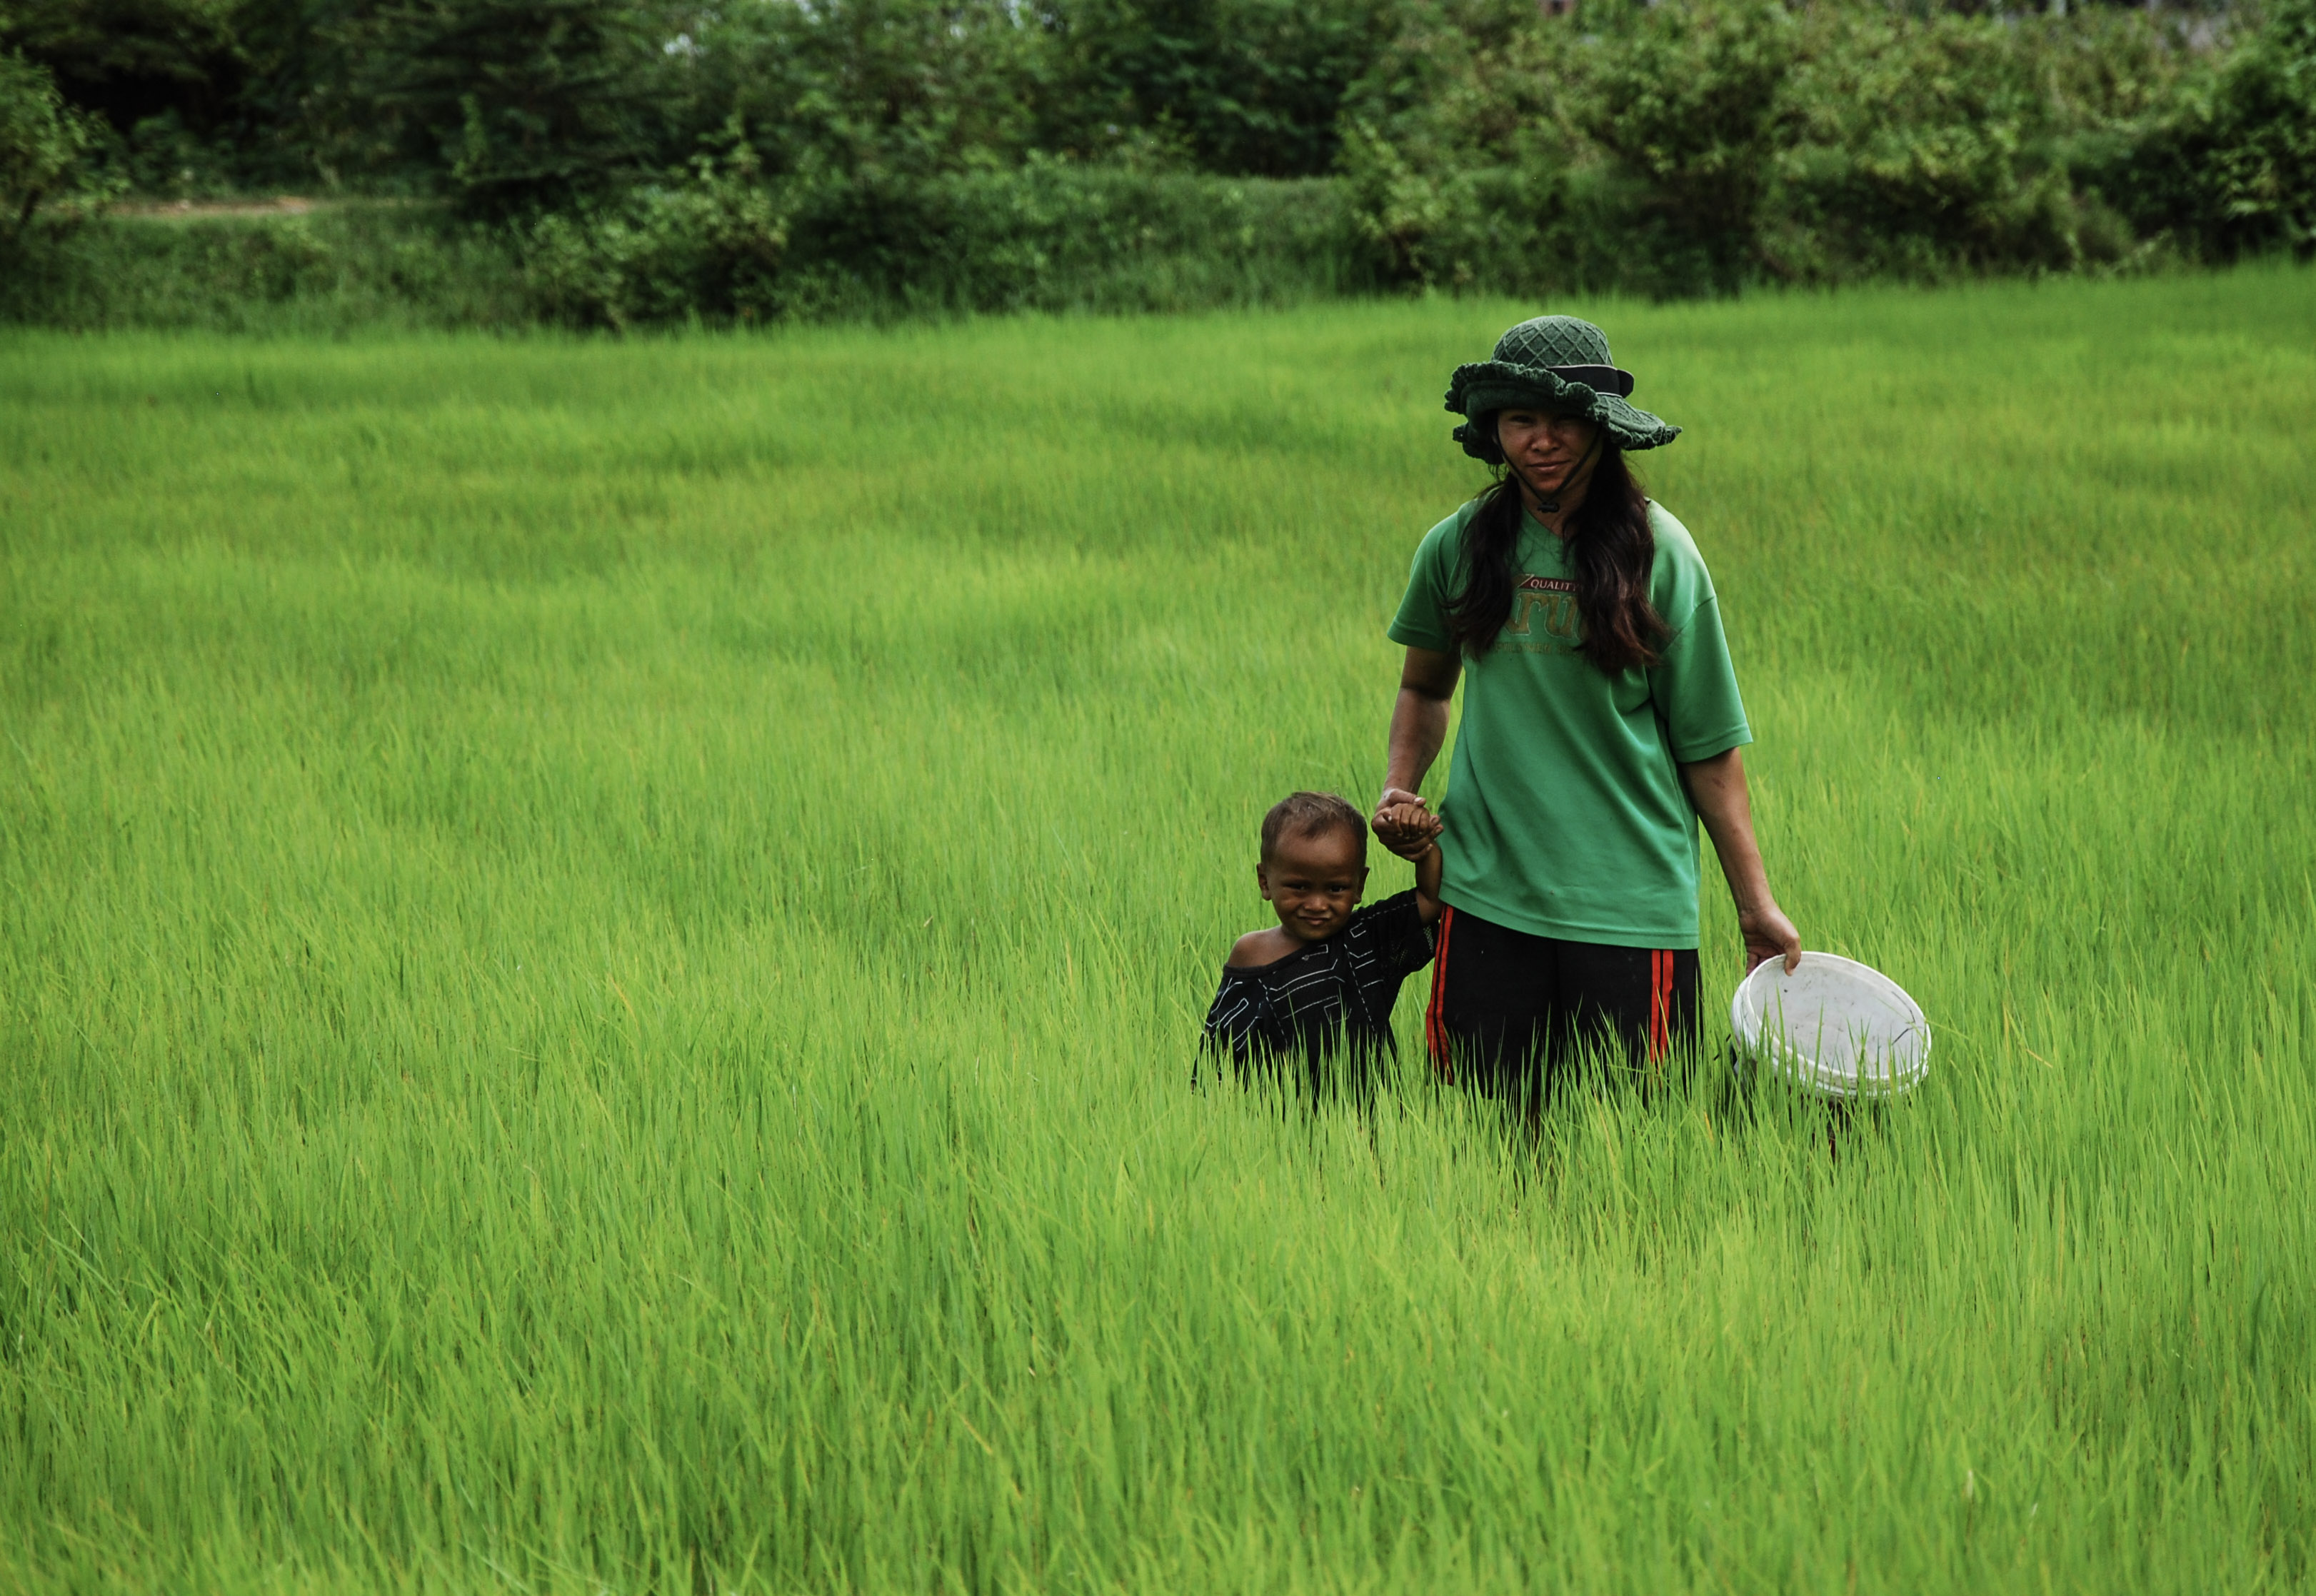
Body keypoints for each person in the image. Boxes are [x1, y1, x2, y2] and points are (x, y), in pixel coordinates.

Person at [1371, 314, 1800, 1108]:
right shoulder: (1457, 547)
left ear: (1601, 427)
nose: (1543, 440)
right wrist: (1401, 785)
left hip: (1631, 904)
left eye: (1565, 419)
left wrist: (1755, 905)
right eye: (1521, 420)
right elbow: (1426, 688)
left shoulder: (1661, 552)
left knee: (1634, 1149)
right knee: (1481, 1137)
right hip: (1488, 892)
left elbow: (1709, 748)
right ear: (1494, 431)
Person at [1201, 791, 1445, 1100]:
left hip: (1371, 1127)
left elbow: (1431, 900)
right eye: (1299, 887)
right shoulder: (1251, 954)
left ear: (1359, 886)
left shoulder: (1368, 937)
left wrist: (1424, 847)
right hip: (1281, 1127)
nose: (1317, 904)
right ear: (1265, 881)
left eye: (1335, 888)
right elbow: (1219, 1056)